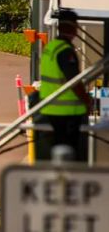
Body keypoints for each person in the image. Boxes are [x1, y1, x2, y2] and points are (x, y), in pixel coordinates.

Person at [39, 9, 92, 161]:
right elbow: (73, 81)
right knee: (69, 154)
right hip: (67, 113)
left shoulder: (51, 47)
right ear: (72, 27)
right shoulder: (65, 51)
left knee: (57, 152)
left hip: (50, 108)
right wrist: (86, 100)